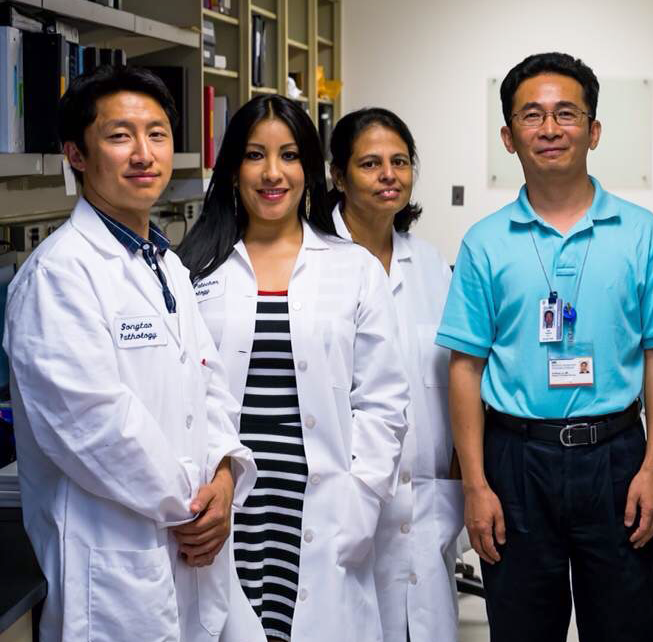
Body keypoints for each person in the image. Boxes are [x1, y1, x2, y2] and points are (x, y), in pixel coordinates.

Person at [4, 65, 257, 642]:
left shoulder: (166, 264)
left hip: (197, 545)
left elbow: (209, 386)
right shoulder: (57, 277)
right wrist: (193, 508)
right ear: (76, 153)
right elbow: (95, 428)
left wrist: (224, 478)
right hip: (118, 571)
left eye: (158, 134)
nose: (144, 153)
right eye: (120, 136)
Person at [436, 52, 653, 642]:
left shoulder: (643, 234)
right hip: (515, 462)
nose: (549, 129)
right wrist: (476, 484)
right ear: (509, 136)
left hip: (616, 456)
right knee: (520, 630)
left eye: (566, 114)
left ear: (593, 130)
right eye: (532, 116)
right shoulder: (484, 244)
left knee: (628, 629)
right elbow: (465, 367)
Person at [180, 94, 410, 642]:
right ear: (233, 169)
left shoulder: (351, 268)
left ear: (310, 169)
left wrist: (361, 497)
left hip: (323, 506)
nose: (272, 173)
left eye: (288, 155)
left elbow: (383, 401)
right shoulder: (192, 269)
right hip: (227, 506)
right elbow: (182, 394)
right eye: (255, 155)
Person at [327, 107, 465, 642]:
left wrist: (456, 473)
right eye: (370, 163)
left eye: (400, 162)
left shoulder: (430, 266)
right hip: (344, 500)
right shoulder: (314, 262)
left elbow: (454, 376)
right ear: (338, 175)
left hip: (427, 503)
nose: (389, 175)